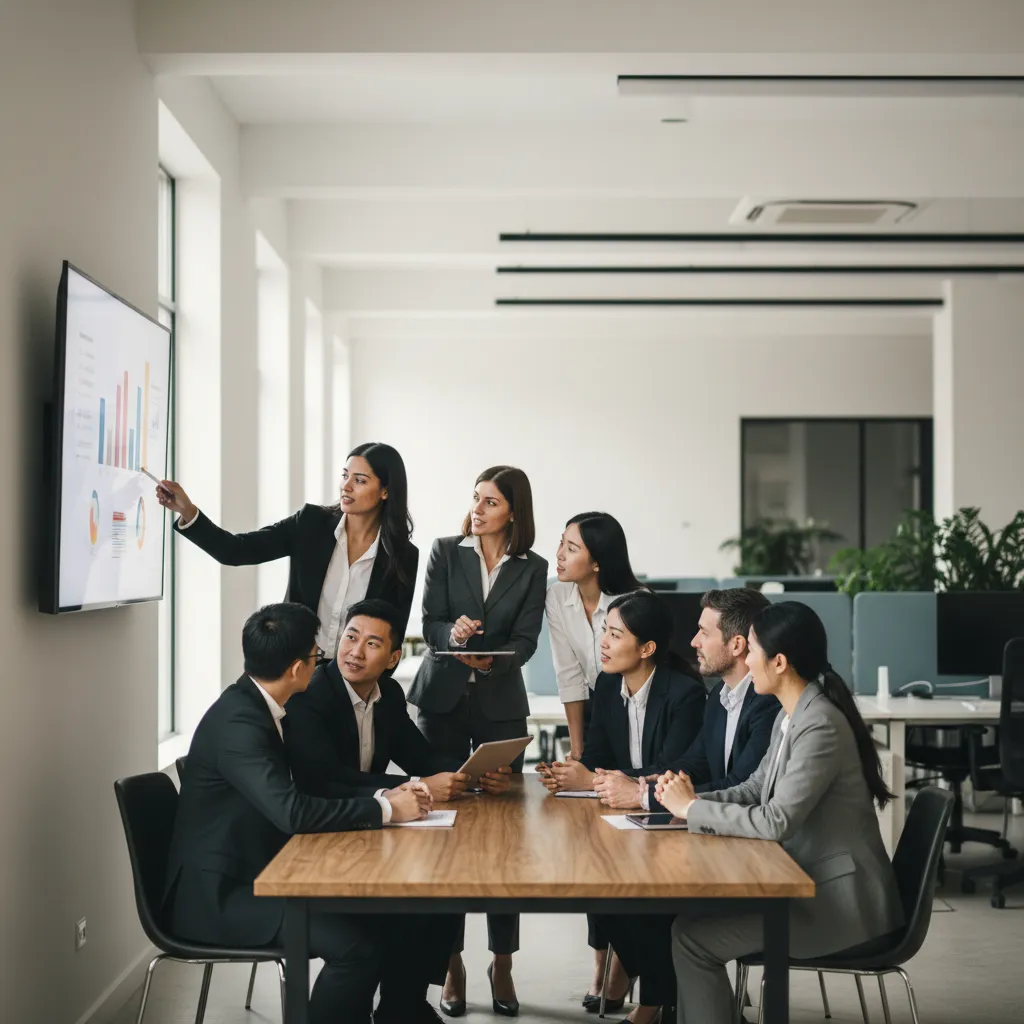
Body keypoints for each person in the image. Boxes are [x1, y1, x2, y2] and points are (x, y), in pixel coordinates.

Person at [163, 602, 453, 1024]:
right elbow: (294, 811)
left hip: (256, 869)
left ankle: (400, 1011)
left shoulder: (255, 706)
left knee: (399, 909)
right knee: (357, 946)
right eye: (319, 654)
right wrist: (387, 808)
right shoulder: (241, 723)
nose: (332, 660)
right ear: (299, 668)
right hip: (220, 897)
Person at [658, 601, 903, 1024]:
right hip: (807, 884)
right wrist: (686, 804)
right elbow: (756, 789)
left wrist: (693, 808)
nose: (745, 659)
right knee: (687, 923)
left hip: (837, 906)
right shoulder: (793, 715)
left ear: (780, 661)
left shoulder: (819, 723)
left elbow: (776, 820)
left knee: (691, 939)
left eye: (751, 649)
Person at [589, 588, 778, 1024]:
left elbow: (742, 787)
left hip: (752, 853)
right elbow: (691, 763)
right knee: (607, 891)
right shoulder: (721, 697)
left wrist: (642, 796)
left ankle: (661, 1006)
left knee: (652, 901)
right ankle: (671, 1004)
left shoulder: (765, 704)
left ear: (737, 645)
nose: (692, 642)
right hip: (720, 836)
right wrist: (642, 785)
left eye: (702, 631)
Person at [408, 465, 548, 1018]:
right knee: (445, 832)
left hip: (499, 707)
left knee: (502, 840)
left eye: (491, 501)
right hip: (440, 701)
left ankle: (503, 960)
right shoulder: (447, 550)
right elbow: (431, 619)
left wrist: (491, 660)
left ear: (513, 511)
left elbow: (528, 637)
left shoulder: (532, 568)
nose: (479, 508)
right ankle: (450, 962)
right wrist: (453, 637)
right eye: (476, 498)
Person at [538, 590, 706, 1022]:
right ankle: (648, 982)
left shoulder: (684, 694)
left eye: (616, 634)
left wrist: (593, 779)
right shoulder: (608, 686)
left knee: (642, 901)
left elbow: (674, 769)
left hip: (671, 821)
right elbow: (596, 755)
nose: (604, 643)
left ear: (647, 648)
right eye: (604, 632)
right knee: (593, 881)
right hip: (623, 817)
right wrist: (570, 772)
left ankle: (653, 1001)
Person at [157, 441, 419, 657]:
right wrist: (187, 511)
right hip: (296, 670)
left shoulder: (403, 555)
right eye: (345, 476)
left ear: (385, 491)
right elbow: (235, 550)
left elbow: (392, 637)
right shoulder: (310, 523)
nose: (346, 486)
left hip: (355, 681)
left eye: (360, 480)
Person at [285, 598, 513, 803]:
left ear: (393, 658)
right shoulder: (310, 694)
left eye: (372, 644)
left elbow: (421, 757)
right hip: (321, 823)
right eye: (351, 637)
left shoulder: (389, 692)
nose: (356, 652)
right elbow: (324, 781)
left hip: (372, 820)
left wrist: (479, 776)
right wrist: (419, 785)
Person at [545, 512, 645, 761]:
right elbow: (568, 674)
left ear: (597, 562)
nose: (559, 554)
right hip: (593, 707)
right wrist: (578, 751)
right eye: (561, 543)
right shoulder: (556, 596)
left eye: (572, 548)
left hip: (636, 709)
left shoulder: (635, 602)